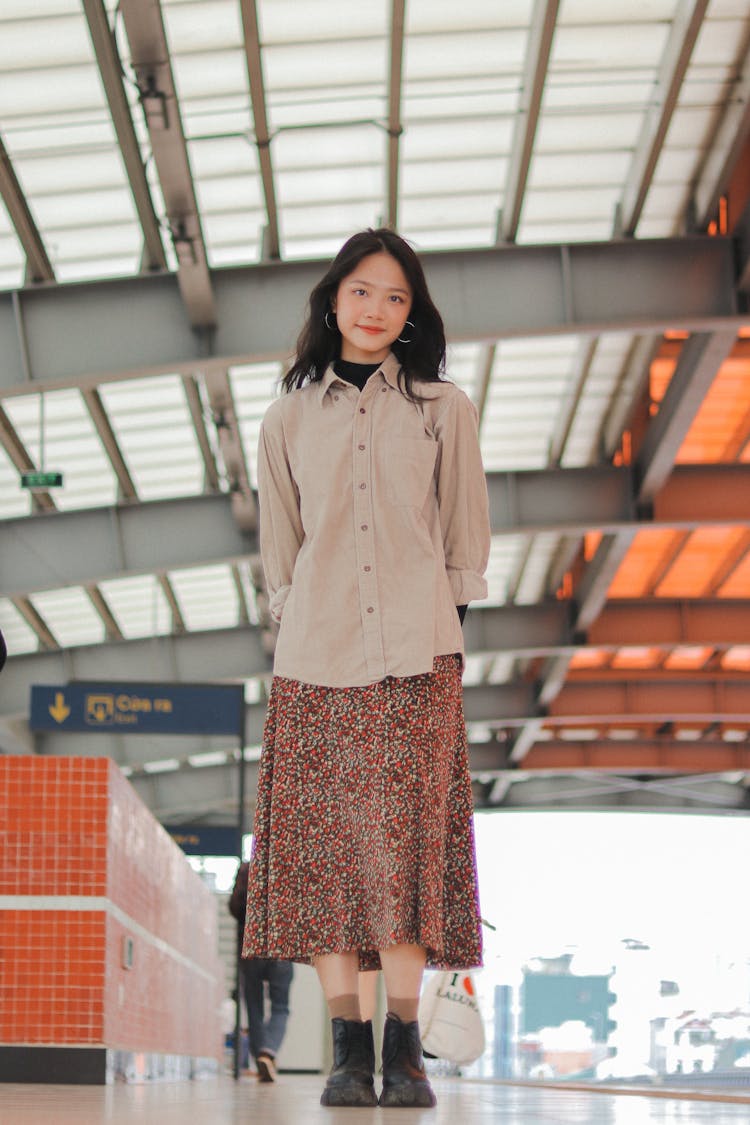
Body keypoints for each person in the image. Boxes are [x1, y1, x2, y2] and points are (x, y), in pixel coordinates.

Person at [242, 227, 491, 1109]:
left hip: (417, 662)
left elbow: (464, 538)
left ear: (412, 310)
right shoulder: (286, 416)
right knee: (326, 856)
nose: (378, 310)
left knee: (408, 854)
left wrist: (435, 632)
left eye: (395, 297)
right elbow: (282, 553)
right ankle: (347, 1048)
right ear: (332, 301)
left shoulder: (441, 407)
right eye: (361, 292)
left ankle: (405, 1048)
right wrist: (306, 622)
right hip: (314, 661)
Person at [230, 860, 293, 1082]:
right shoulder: (288, 864)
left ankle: (260, 1059)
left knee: (254, 1007)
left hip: (251, 948)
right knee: (281, 1007)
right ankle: (268, 1051)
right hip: (280, 947)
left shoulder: (247, 869)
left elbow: (234, 907)